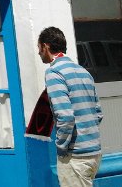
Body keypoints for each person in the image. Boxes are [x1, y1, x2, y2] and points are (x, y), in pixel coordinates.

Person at [38, 27, 104, 187]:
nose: (38, 52)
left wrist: (61, 147)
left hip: (75, 156)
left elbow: (66, 116)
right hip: (94, 153)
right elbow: (98, 113)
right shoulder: (83, 72)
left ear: (46, 46)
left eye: (39, 48)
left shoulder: (54, 73)